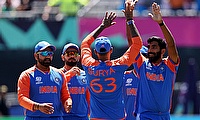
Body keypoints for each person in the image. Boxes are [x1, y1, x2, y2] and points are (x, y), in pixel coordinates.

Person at [80, 2, 142, 119]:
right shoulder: (119, 65)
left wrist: (102, 26)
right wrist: (129, 20)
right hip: (117, 116)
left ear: (96, 52)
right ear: (111, 50)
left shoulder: (88, 65)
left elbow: (85, 43)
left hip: (97, 117)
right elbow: (137, 44)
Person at [127, 2, 180, 120]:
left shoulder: (169, 66)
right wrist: (130, 20)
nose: (150, 50)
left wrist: (161, 23)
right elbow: (132, 44)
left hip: (164, 116)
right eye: (149, 47)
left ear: (162, 51)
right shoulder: (142, 65)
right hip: (145, 115)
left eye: (154, 47)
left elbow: (171, 45)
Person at [17, 41, 73, 120]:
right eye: (44, 53)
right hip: (34, 117)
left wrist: (68, 103)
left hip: (56, 117)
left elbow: (66, 96)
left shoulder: (59, 74)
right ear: (36, 56)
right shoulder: (27, 75)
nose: (48, 56)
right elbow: (21, 98)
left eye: (50, 54)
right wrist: (38, 106)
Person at [60, 43, 90, 120]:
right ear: (63, 57)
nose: (72, 56)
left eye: (75, 53)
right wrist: (69, 74)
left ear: (79, 57)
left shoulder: (85, 75)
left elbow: (88, 98)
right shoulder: (57, 74)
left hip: (82, 117)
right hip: (62, 117)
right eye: (69, 53)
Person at [123, 46, 148, 120]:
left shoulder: (153, 77)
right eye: (137, 57)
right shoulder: (124, 76)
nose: (140, 60)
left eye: (144, 56)